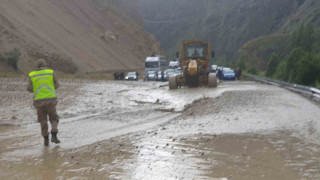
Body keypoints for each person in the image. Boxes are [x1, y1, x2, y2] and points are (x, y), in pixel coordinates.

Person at [27, 59, 60, 146]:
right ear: (45, 65)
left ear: (36, 66)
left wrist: (37, 88)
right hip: (51, 100)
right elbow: (57, 85)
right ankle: (54, 135)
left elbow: (29, 89)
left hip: (38, 101)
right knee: (54, 118)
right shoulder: (50, 73)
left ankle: (46, 140)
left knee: (42, 120)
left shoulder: (32, 75)